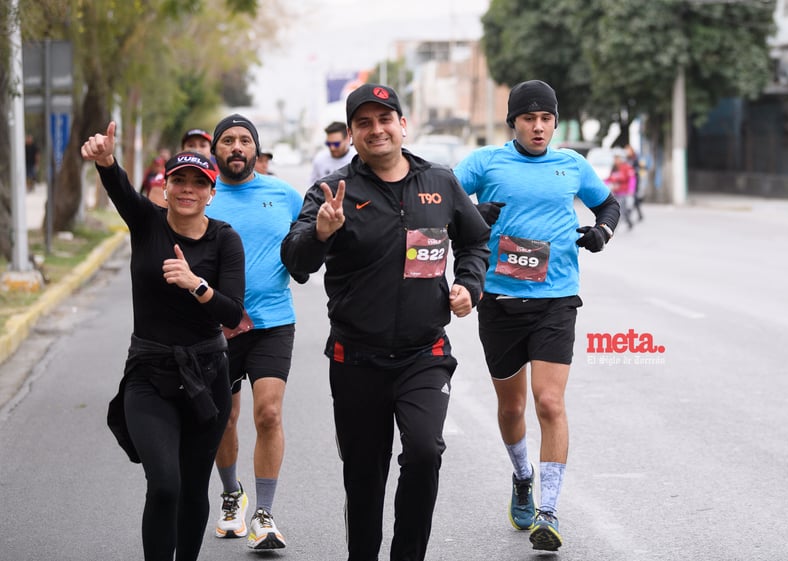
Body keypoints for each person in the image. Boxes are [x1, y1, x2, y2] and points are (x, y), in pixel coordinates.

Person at [281, 84, 491, 561]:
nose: (376, 129)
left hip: (424, 354)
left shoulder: (439, 181)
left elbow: (476, 240)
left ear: (402, 124)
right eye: (364, 123)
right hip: (356, 359)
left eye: (385, 119)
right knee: (363, 477)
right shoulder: (331, 191)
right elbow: (296, 261)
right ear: (352, 135)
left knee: (424, 452)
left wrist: (469, 286)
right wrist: (319, 232)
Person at [453, 79, 620, 552]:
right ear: (514, 123)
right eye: (529, 118)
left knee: (549, 402)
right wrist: (472, 212)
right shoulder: (485, 163)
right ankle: (522, 475)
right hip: (501, 301)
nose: (539, 126)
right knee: (512, 408)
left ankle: (548, 510)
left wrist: (602, 232)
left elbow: (608, 203)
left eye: (546, 118)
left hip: (556, 299)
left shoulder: (572, 165)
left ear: (555, 121)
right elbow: (437, 200)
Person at [80, 121, 246, 561]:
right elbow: (118, 188)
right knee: (165, 484)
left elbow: (232, 312)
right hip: (149, 375)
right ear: (165, 187)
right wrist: (105, 159)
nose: (188, 189)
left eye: (198, 182)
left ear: (212, 192)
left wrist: (196, 284)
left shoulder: (225, 239)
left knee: (193, 487)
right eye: (179, 180)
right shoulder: (147, 223)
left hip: (208, 378)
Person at [204, 114, 304, 551]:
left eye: (245, 140)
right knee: (224, 417)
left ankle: (264, 513)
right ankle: (231, 495)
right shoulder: (203, 196)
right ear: (216, 150)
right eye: (228, 140)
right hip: (215, 328)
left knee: (268, 413)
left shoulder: (283, 194)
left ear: (256, 149)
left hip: (273, 322)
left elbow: (312, 240)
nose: (237, 147)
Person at [608, 151, 635, 230]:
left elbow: (632, 179)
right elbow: (610, 178)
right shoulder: (614, 168)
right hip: (615, 192)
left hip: (624, 192)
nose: (616, 160)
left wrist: (631, 189)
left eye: (617, 158)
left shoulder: (626, 167)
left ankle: (614, 226)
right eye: (615, 158)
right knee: (621, 209)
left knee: (620, 209)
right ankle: (629, 222)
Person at [624, 143, 644, 221]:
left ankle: (629, 213)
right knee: (632, 197)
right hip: (628, 180)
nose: (627, 152)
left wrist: (634, 171)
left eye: (628, 150)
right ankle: (639, 214)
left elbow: (641, 168)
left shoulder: (636, 159)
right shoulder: (626, 159)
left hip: (635, 180)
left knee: (633, 196)